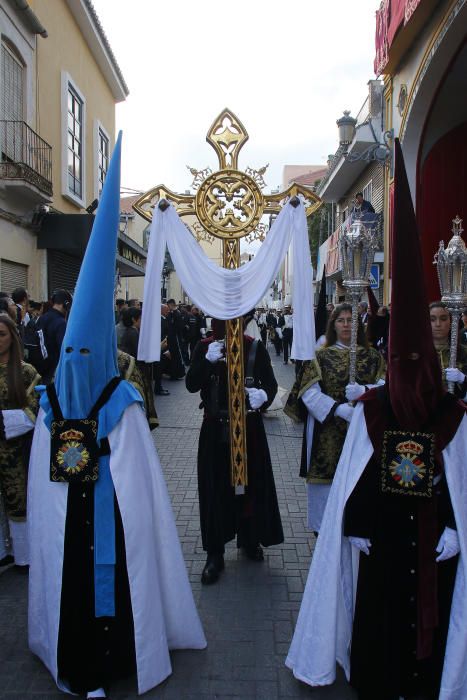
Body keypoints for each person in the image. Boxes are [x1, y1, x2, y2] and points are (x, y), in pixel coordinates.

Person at [286, 139, 467, 700]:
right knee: (379, 622)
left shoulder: (452, 415)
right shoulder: (375, 411)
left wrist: (458, 529)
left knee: (427, 639)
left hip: (433, 539)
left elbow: (460, 481)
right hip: (384, 539)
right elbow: (355, 477)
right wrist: (357, 524)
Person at [28, 133, 205, 700]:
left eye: (87, 354)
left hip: (108, 517)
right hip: (67, 518)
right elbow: (39, 473)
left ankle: (120, 658)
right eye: (70, 355)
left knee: (114, 586)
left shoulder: (122, 402)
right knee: (72, 587)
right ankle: (74, 662)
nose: (77, 363)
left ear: (101, 353)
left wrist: (102, 467)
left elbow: (140, 481)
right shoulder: (50, 400)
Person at [186, 318, 284, 585]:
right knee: (215, 489)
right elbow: (192, 384)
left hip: (249, 428)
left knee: (251, 485)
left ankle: (250, 539)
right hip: (215, 427)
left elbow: (271, 384)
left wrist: (263, 396)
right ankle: (214, 552)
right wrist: (206, 361)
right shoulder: (205, 346)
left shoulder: (254, 347)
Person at [285, 303, 385, 533]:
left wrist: (366, 391)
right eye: (341, 320)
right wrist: (337, 409)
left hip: (363, 427)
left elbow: (386, 386)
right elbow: (308, 392)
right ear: (333, 325)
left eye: (351, 320)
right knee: (327, 483)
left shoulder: (372, 356)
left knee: (361, 479)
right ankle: (325, 529)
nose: (347, 324)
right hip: (327, 430)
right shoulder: (320, 356)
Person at [0, 313, 39, 567]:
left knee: (18, 502)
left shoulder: (26, 372)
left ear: (13, 338)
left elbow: (33, 411)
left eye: (2, 335)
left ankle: (23, 557)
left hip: (14, 452)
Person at [430, 301, 467, 396]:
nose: (438, 324)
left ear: (451, 322)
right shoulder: (418, 354)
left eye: (443, 319)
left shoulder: (464, 352)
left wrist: (463, 379)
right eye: (432, 319)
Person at [35, 289, 72, 382]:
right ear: (67, 304)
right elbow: (63, 349)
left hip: (39, 368)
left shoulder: (42, 318)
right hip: (53, 371)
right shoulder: (61, 323)